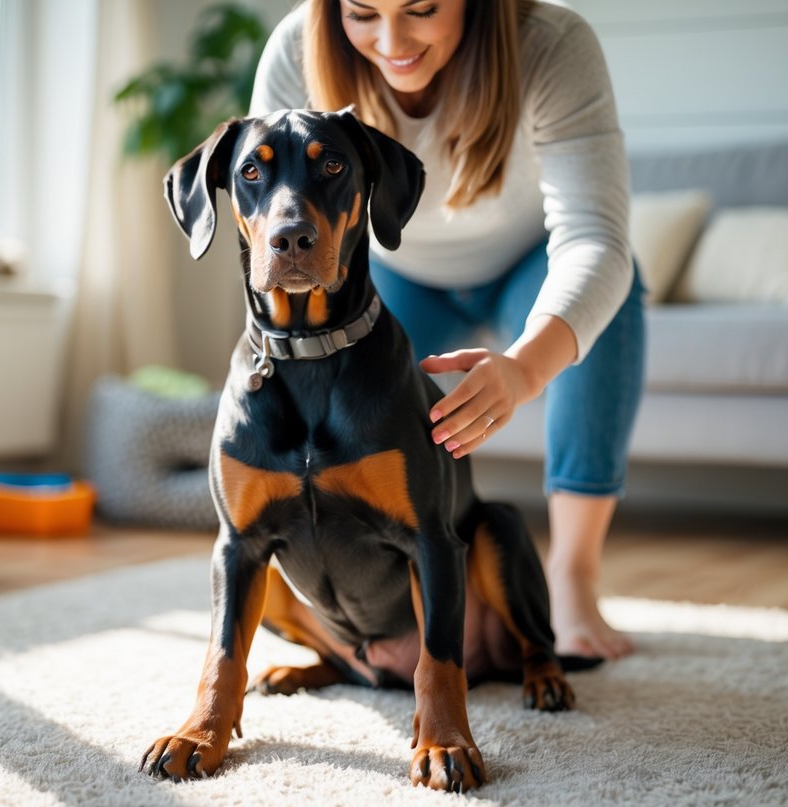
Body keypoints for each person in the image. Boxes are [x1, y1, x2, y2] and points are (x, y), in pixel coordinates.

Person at [248, 0, 645, 660]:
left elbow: (596, 241)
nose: (391, 39)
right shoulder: (297, 46)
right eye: (362, 14)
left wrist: (522, 369)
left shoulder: (551, 43)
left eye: (422, 8)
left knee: (612, 303)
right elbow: (270, 223)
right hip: (395, 268)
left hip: (531, 256)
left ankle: (572, 580)